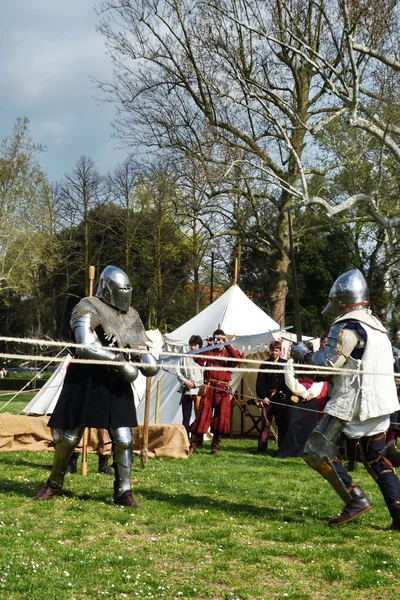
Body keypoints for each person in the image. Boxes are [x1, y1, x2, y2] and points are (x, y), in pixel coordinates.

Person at [35, 266, 159, 508]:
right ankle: (54, 483)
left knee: (123, 438)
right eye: (120, 288)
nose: (125, 293)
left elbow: (138, 345)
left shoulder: (131, 315)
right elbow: (86, 345)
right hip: (87, 378)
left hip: (115, 383)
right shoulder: (87, 306)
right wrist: (119, 363)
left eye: (128, 288)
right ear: (107, 287)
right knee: (69, 437)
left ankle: (123, 491)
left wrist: (147, 360)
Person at [291, 269, 400, 529]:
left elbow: (328, 366)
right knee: (375, 458)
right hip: (378, 403)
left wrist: (304, 353)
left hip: (351, 403)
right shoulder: (378, 328)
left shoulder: (347, 325)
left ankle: (355, 499)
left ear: (342, 300)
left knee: (316, 450)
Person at [189, 329, 244, 455]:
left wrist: (226, 343)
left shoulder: (228, 353)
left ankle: (215, 447)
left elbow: (238, 360)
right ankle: (193, 445)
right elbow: (198, 360)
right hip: (209, 388)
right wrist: (210, 344)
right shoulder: (209, 352)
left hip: (223, 389)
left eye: (220, 338)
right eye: (216, 338)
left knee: (221, 418)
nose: (218, 341)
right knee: (203, 415)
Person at [277, 342, 327, 458]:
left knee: (309, 426)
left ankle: (304, 451)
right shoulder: (291, 363)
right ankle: (289, 451)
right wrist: (304, 393)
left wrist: (311, 394)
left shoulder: (314, 363)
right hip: (296, 397)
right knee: (292, 424)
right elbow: (290, 381)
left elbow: (319, 380)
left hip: (311, 399)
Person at [255, 340, 288, 453]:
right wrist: (263, 397)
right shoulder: (264, 364)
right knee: (265, 424)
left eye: (276, 350)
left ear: (280, 351)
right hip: (267, 398)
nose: (274, 352)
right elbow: (259, 383)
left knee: (281, 423)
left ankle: (283, 448)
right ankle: (262, 448)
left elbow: (288, 382)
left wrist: (284, 395)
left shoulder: (285, 364)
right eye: (272, 350)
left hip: (280, 398)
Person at [176, 335, 204, 437]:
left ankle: (197, 439)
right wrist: (185, 381)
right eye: (191, 345)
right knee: (186, 417)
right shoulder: (184, 357)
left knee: (199, 416)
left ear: (199, 346)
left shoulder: (204, 357)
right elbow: (179, 372)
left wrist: (196, 384)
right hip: (186, 391)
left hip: (199, 391)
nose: (193, 348)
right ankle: (185, 439)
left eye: (195, 345)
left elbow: (205, 375)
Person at [386, 356, 400, 445]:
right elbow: (396, 380)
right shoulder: (398, 362)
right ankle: (388, 454)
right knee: (394, 428)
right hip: (398, 400)